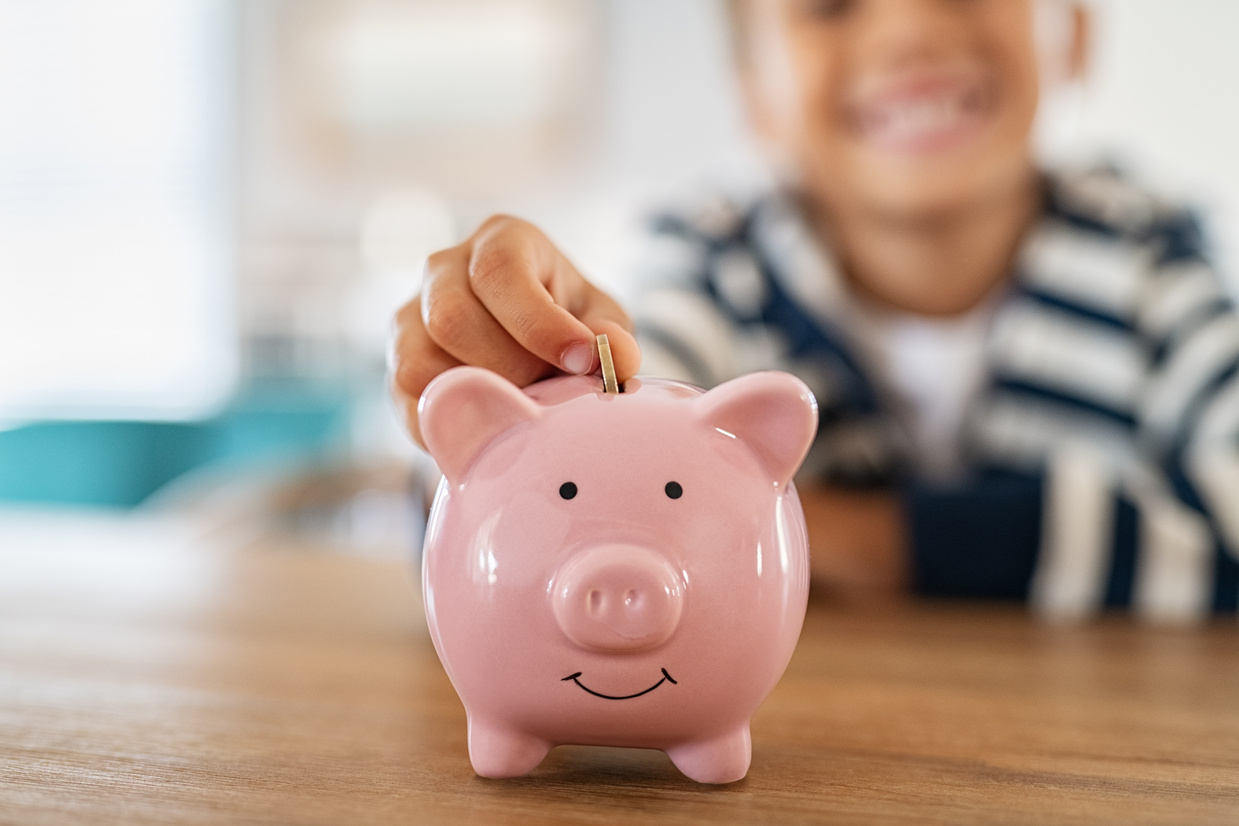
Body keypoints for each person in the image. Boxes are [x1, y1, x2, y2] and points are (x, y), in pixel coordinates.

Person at [390, 0, 1239, 620]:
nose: (907, 29)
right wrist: (533, 403)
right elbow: (587, 521)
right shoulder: (712, 260)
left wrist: (870, 543)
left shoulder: (1149, 258)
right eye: (829, 7)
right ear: (754, 95)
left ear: (1075, 32)